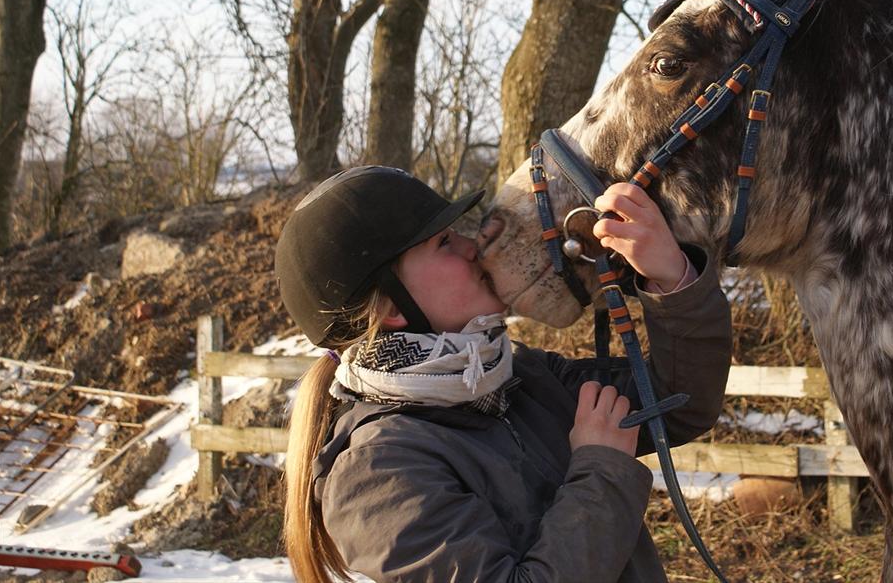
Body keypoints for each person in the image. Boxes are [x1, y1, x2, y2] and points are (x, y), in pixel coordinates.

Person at [277, 166, 731, 583]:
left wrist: (671, 279)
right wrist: (601, 468)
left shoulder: (520, 378)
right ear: (392, 308)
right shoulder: (377, 474)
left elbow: (677, 404)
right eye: (444, 243)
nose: (472, 246)